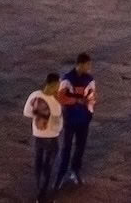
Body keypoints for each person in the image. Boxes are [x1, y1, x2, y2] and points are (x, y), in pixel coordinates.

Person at [24, 71, 65, 202]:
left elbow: (27, 113)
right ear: (53, 85)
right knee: (47, 167)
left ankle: (38, 189)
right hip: (51, 139)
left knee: (38, 164)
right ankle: (41, 197)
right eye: (58, 85)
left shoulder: (34, 95)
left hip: (37, 135)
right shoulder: (55, 104)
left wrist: (38, 116)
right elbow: (57, 125)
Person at [56, 52, 95, 186]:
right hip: (70, 119)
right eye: (88, 64)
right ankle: (61, 175)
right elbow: (60, 98)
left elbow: (92, 98)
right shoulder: (67, 80)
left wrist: (89, 113)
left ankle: (75, 172)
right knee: (66, 147)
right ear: (80, 64)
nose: (89, 67)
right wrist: (77, 101)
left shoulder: (89, 79)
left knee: (80, 147)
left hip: (83, 120)